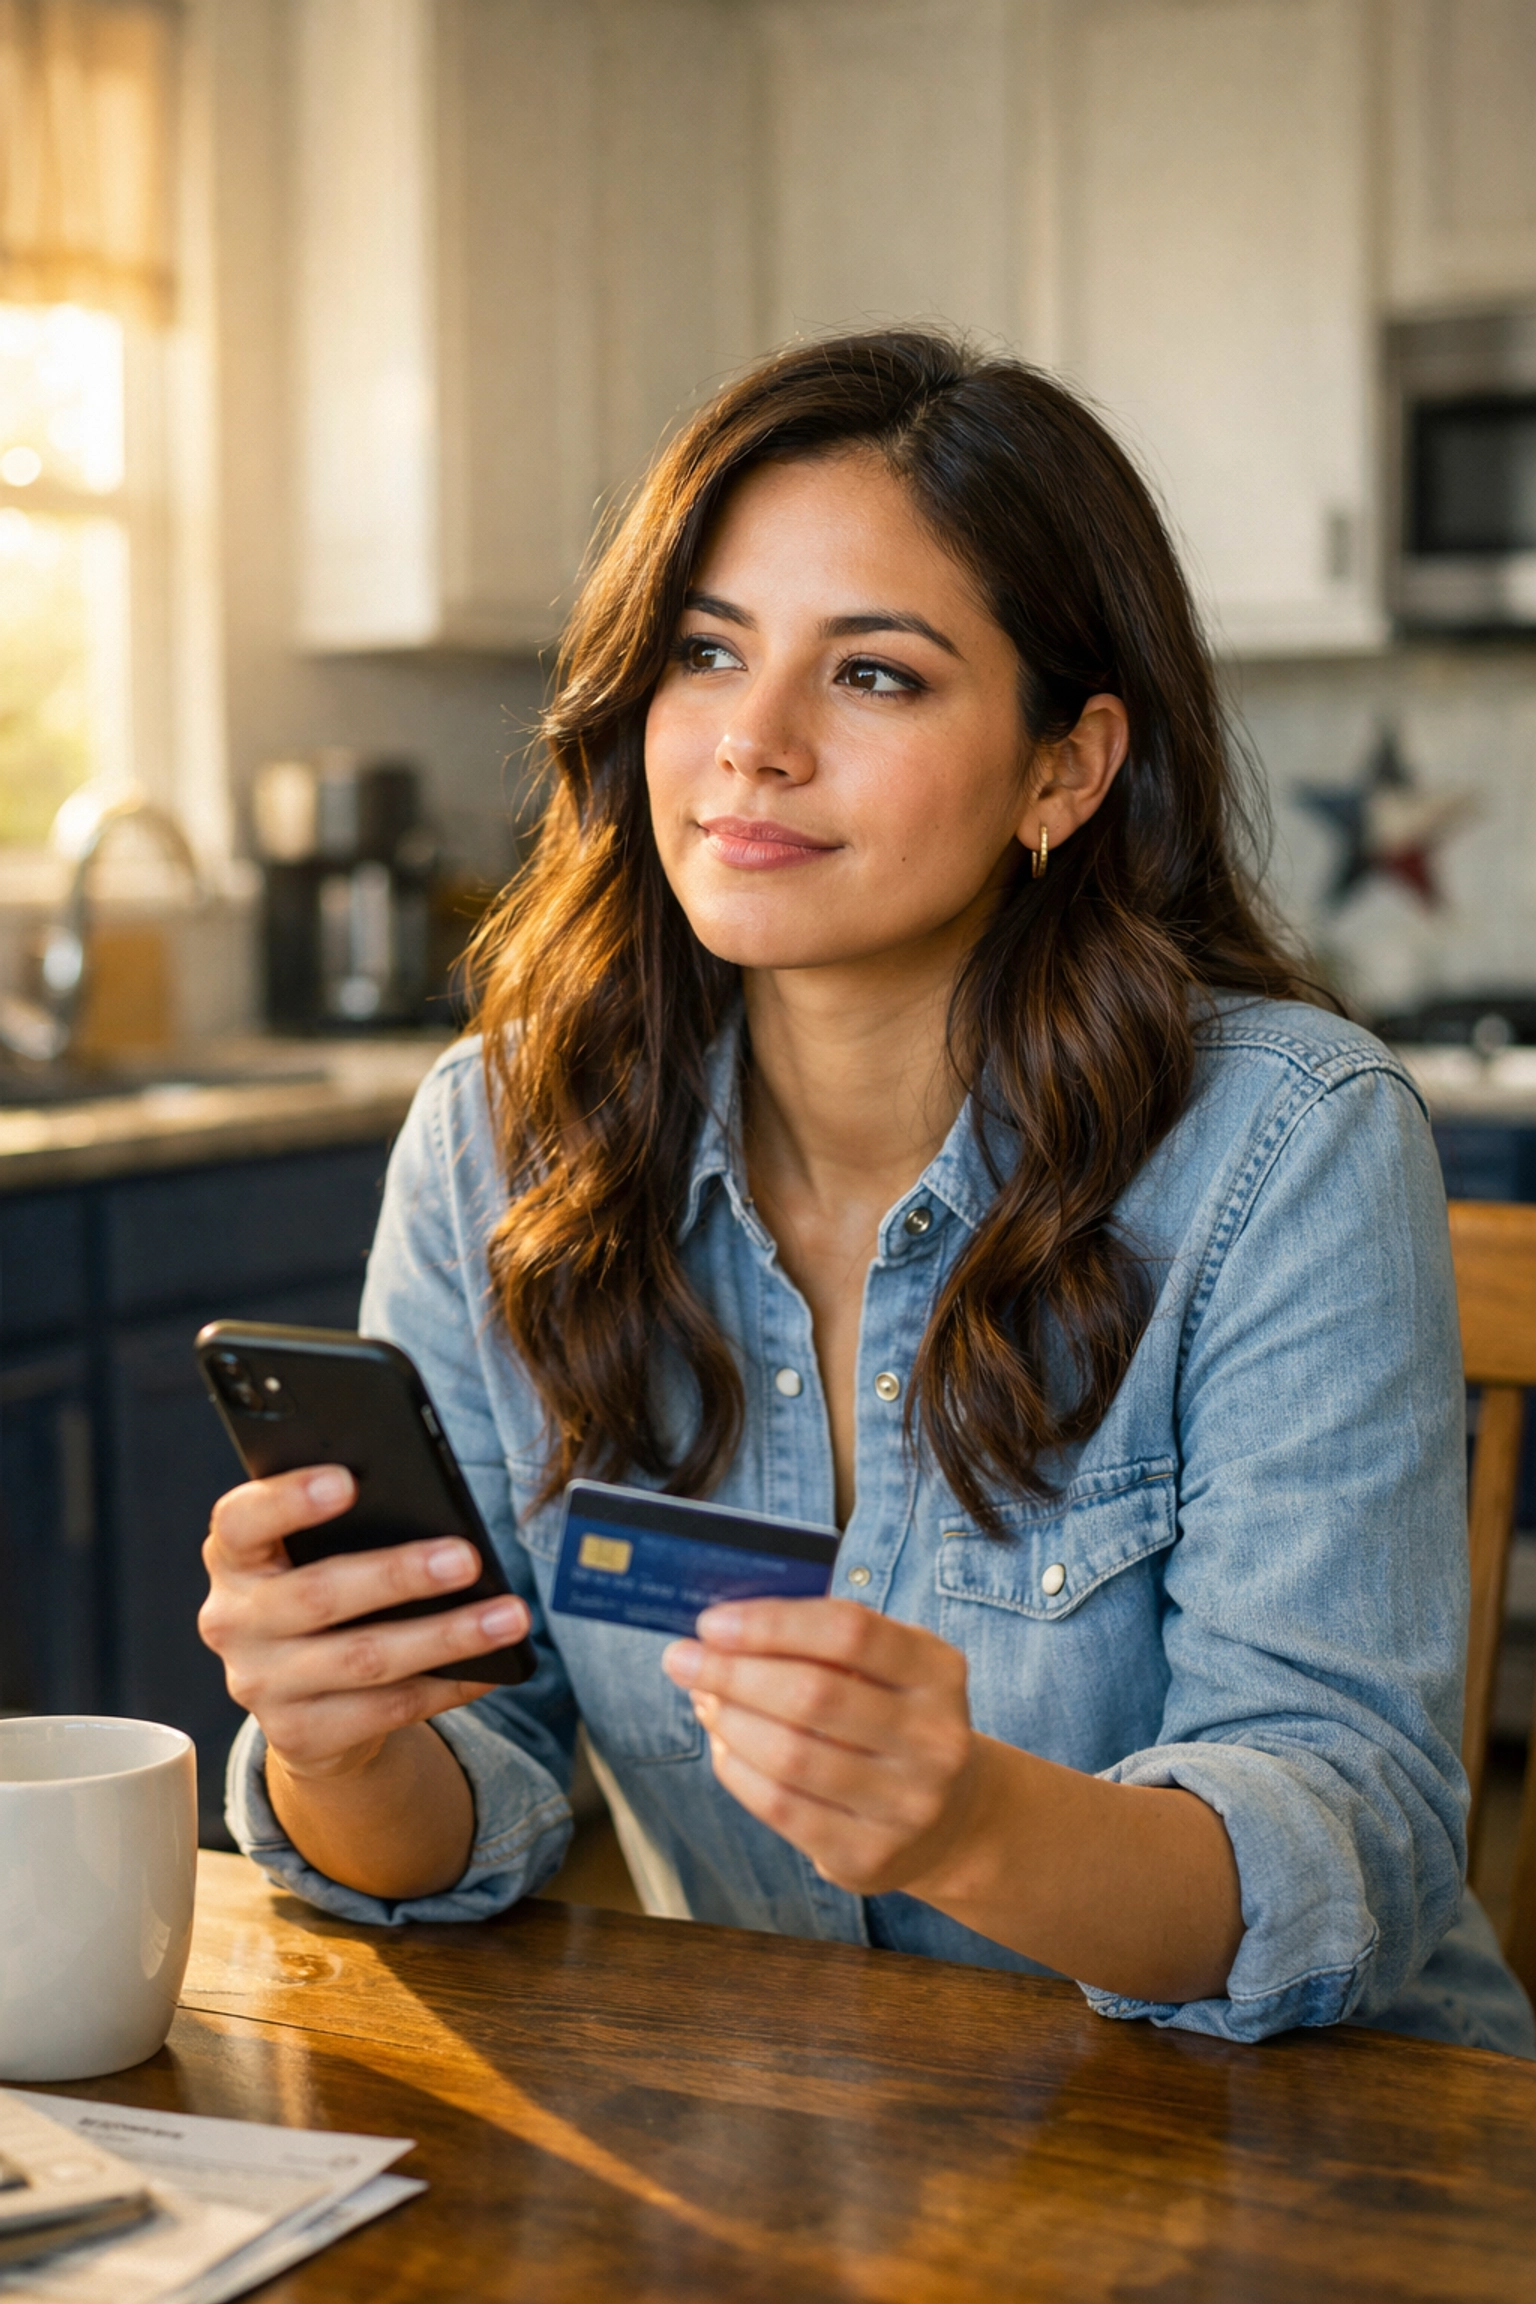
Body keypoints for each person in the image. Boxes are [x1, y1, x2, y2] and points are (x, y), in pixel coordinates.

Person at [200, 330, 1534, 2054]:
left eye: (876, 675)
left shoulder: (1289, 1142)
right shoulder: (503, 1139)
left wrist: (971, 1821)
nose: (752, 743)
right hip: (828, 2137)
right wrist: (344, 1744)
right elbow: (481, 1777)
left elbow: (1349, 1832)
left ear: (1065, 768)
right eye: (706, 652)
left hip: (1316, 2144)